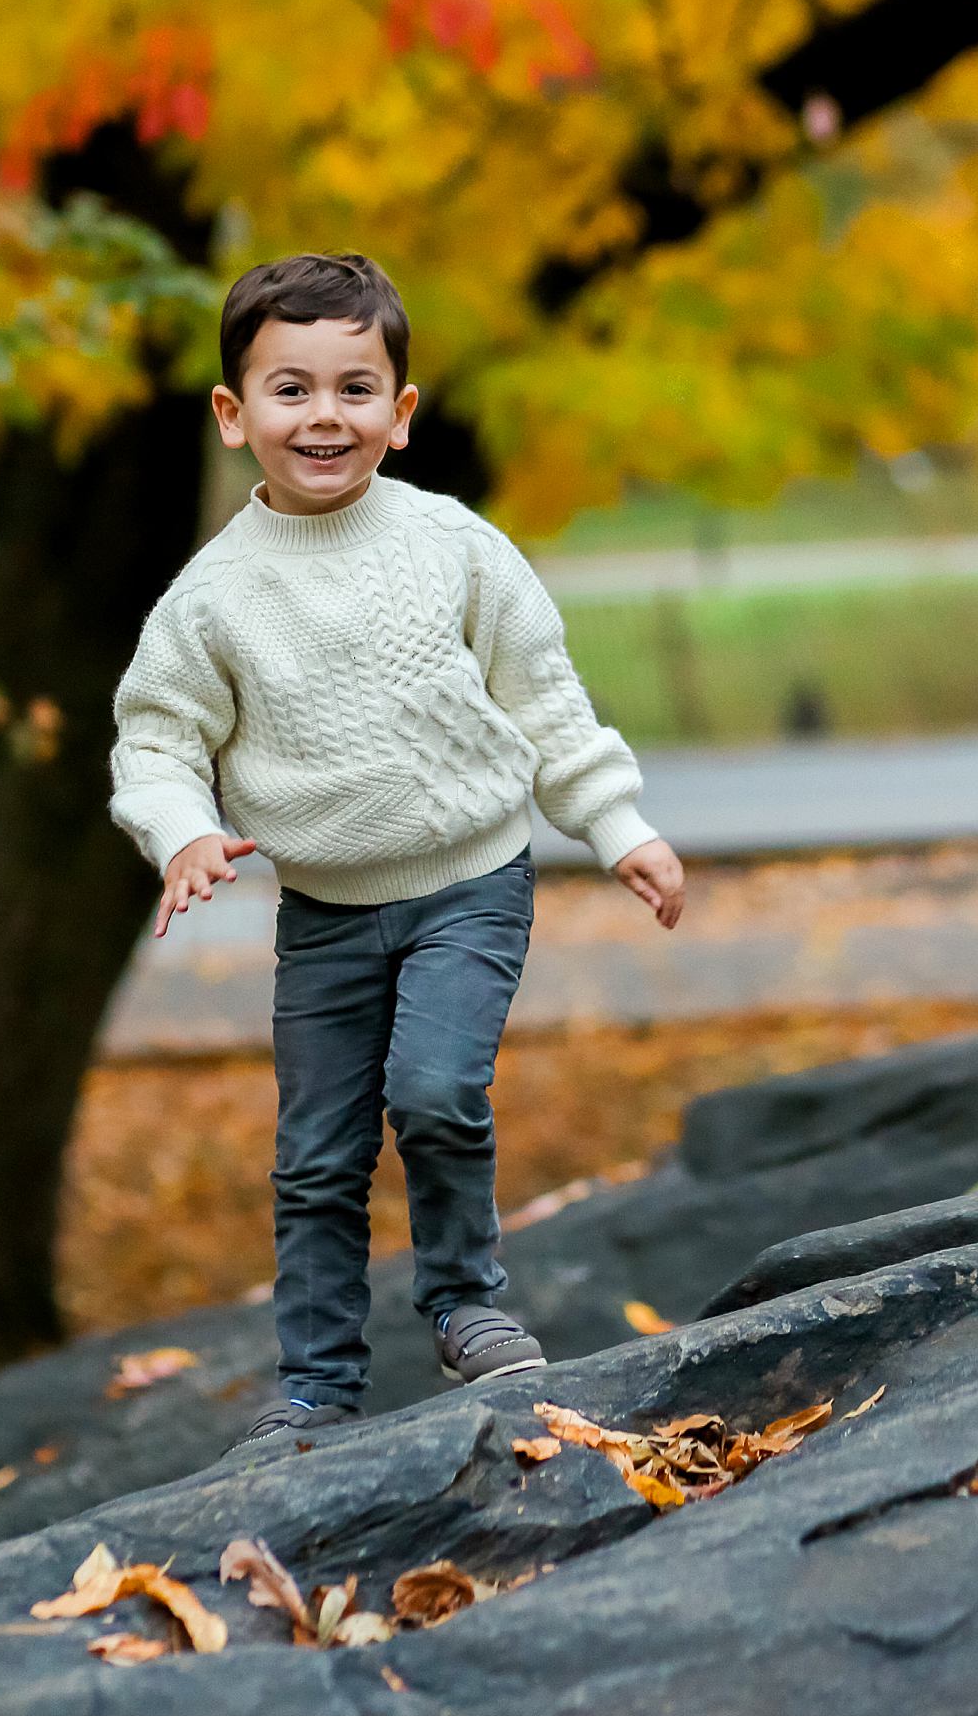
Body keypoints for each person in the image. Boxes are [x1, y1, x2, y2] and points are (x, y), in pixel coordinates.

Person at [108, 251, 684, 1447]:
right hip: (323, 910)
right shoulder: (212, 598)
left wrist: (616, 825)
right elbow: (156, 739)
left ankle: (467, 1303)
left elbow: (545, 702)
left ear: (400, 413)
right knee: (315, 1155)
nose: (324, 416)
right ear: (234, 414)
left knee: (433, 1091)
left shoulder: (455, 548)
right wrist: (185, 831)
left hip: (469, 882)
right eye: (291, 389)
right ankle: (317, 1379)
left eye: (356, 388)